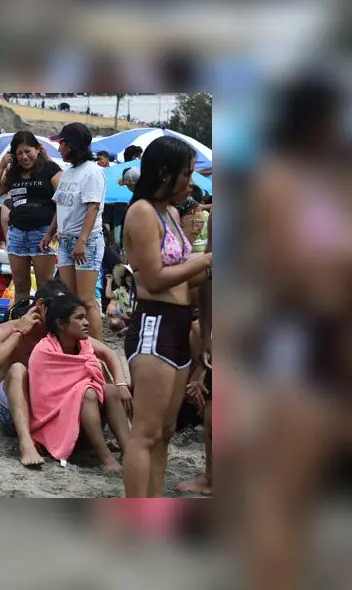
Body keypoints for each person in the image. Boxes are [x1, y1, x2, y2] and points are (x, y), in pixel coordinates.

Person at [120, 136, 212, 498]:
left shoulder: (172, 213)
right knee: (145, 433)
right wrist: (203, 260)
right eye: (186, 174)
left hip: (176, 325)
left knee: (165, 431)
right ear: (164, 172)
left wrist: (205, 333)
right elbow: (155, 278)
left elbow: (189, 279)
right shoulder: (141, 211)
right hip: (154, 325)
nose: (191, 182)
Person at [27, 295, 132, 471]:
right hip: (56, 428)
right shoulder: (43, 351)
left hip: (86, 423)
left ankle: (129, 451)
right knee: (87, 392)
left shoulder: (84, 345)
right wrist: (82, 391)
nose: (86, 323)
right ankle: (106, 459)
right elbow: (44, 401)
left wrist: (121, 385)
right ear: (61, 324)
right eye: (79, 318)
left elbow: (109, 356)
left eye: (85, 317)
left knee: (111, 390)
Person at [0, 279, 67, 466]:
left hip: (49, 411)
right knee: (18, 369)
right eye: (60, 309)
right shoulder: (6, 329)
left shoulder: (62, 330)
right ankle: (26, 443)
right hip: (10, 413)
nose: (63, 315)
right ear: (41, 306)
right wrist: (19, 333)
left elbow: (98, 353)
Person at [40, 123, 107, 341]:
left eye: (62, 144)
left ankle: (98, 354)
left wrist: (82, 240)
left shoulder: (92, 172)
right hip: (67, 241)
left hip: (85, 240)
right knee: (72, 299)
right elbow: (60, 207)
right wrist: (50, 233)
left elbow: (93, 208)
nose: (59, 149)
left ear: (73, 145)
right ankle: (82, 348)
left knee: (87, 300)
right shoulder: (68, 173)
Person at [0, 131, 63, 305]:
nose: (24, 157)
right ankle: (21, 324)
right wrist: (1, 167)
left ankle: (46, 326)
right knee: (20, 285)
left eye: (27, 151)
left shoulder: (50, 169)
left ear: (38, 149)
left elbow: (63, 202)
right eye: (19, 153)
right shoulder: (13, 173)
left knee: (45, 286)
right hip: (17, 233)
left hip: (45, 232)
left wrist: (53, 232)